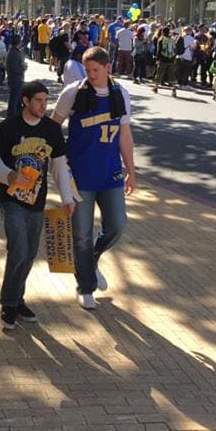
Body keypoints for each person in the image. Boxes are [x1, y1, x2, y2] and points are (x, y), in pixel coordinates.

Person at [52, 47, 136, 310]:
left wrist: (131, 170)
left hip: (110, 174)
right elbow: (53, 126)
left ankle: (92, 260)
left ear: (107, 67)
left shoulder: (120, 93)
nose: (91, 75)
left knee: (117, 225)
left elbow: (125, 135)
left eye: (95, 71)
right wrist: (59, 158)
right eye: (87, 70)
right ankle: (85, 285)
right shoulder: (74, 92)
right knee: (81, 236)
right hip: (80, 176)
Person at [0, 81, 73, 329]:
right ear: (25, 100)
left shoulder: (51, 130)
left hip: (37, 201)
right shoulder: (8, 127)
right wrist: (10, 176)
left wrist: (67, 198)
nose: (43, 106)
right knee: (20, 250)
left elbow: (58, 167)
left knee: (29, 254)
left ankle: (17, 298)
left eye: (46, 101)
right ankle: (9, 304)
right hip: (11, 200)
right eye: (38, 100)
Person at [151, 27, 178, 97]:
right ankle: (174, 90)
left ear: (162, 32)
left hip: (163, 59)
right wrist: (174, 58)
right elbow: (175, 50)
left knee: (159, 73)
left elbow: (159, 50)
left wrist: (157, 59)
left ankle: (156, 87)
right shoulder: (172, 39)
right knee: (172, 75)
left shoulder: (161, 39)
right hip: (171, 59)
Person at [5, 35, 25, 118]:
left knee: (17, 101)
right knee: (14, 101)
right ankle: (11, 118)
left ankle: (18, 116)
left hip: (16, 79)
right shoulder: (14, 53)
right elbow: (15, 68)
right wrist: (23, 68)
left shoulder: (14, 52)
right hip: (15, 79)